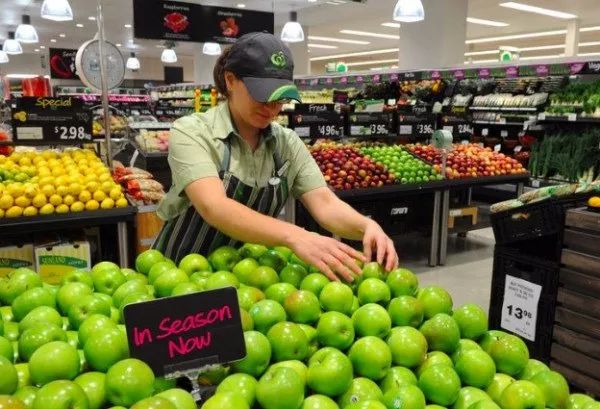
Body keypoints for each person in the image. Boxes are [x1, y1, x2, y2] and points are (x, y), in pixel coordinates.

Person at [153, 32, 397, 282]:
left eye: (280, 97)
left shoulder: (287, 143)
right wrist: (296, 235)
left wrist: (366, 226)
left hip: (253, 282)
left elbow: (324, 203)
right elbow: (214, 206)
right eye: (261, 94)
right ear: (230, 80)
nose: (271, 107)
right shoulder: (192, 132)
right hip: (178, 279)